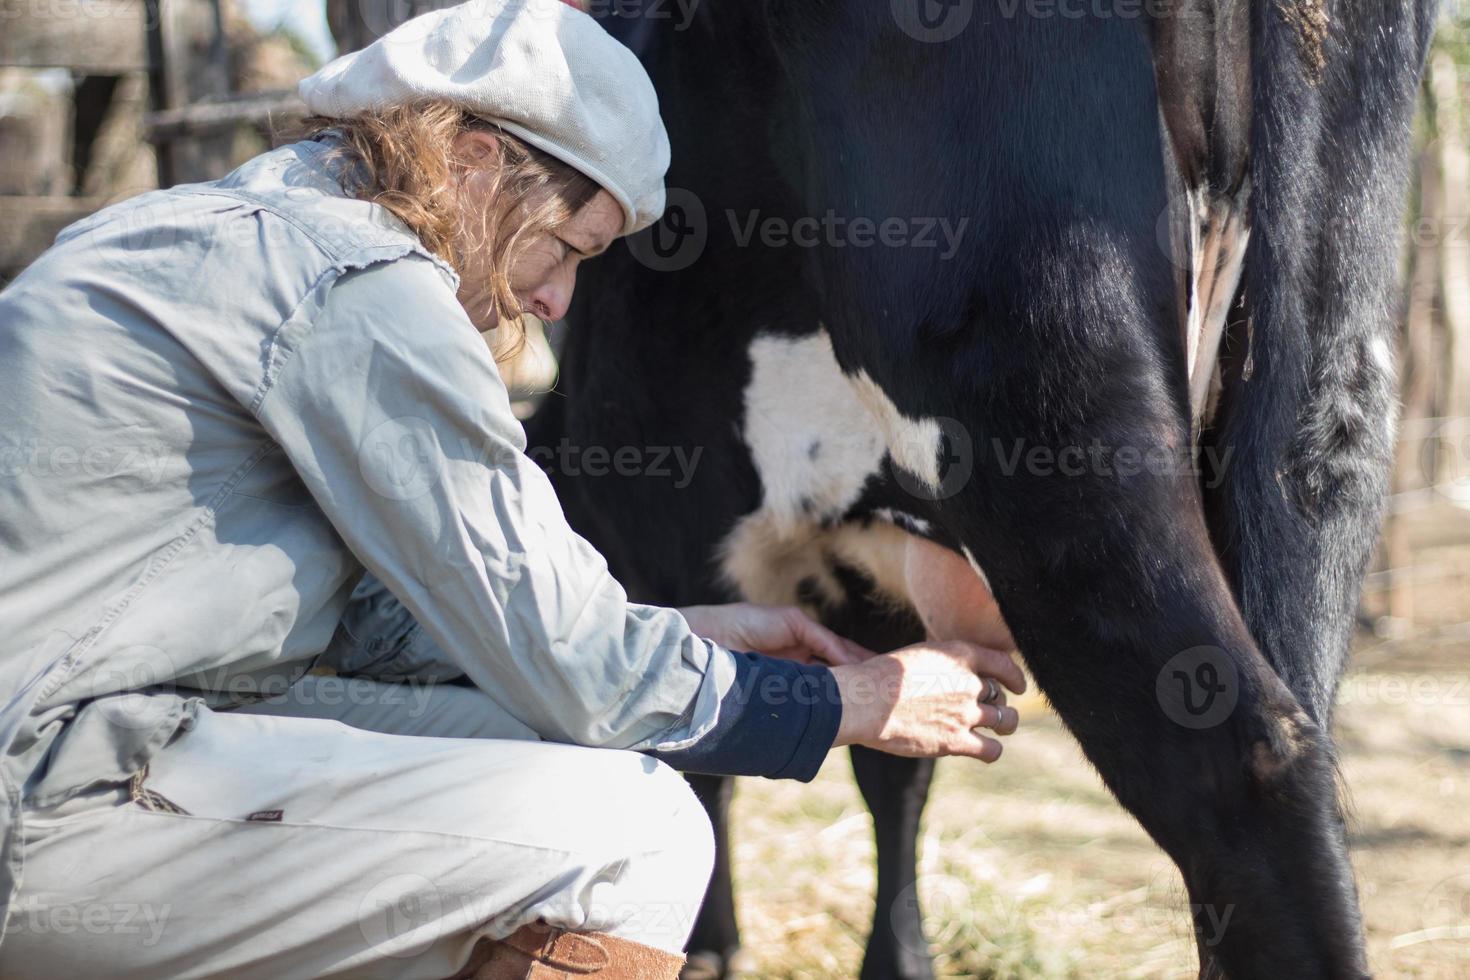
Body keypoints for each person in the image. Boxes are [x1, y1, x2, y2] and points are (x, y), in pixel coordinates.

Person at [0, 1, 1023, 976]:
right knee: (642, 831)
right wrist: (853, 698)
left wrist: (680, 628)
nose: (556, 299)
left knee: (559, 738)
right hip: (47, 794)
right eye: (569, 247)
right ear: (476, 161)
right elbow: (571, 662)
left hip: (90, 734)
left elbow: (354, 632)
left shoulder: (220, 231)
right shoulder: (357, 285)